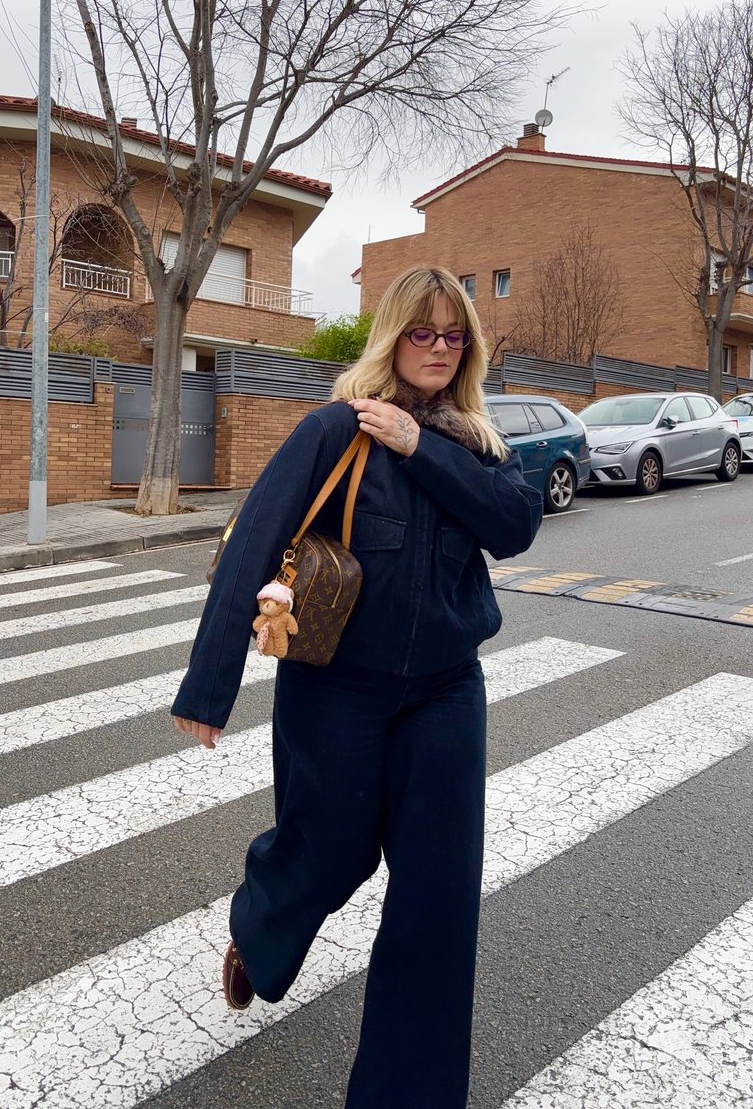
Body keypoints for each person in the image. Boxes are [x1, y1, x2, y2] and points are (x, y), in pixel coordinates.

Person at [171, 265, 543, 1108]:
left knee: (439, 897)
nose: (440, 348)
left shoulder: (478, 443)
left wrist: (421, 449)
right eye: (424, 331)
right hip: (336, 688)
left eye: (455, 335)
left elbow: (514, 526)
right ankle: (258, 932)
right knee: (328, 851)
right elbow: (254, 538)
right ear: (393, 335)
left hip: (446, 692)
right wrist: (208, 686)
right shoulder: (335, 429)